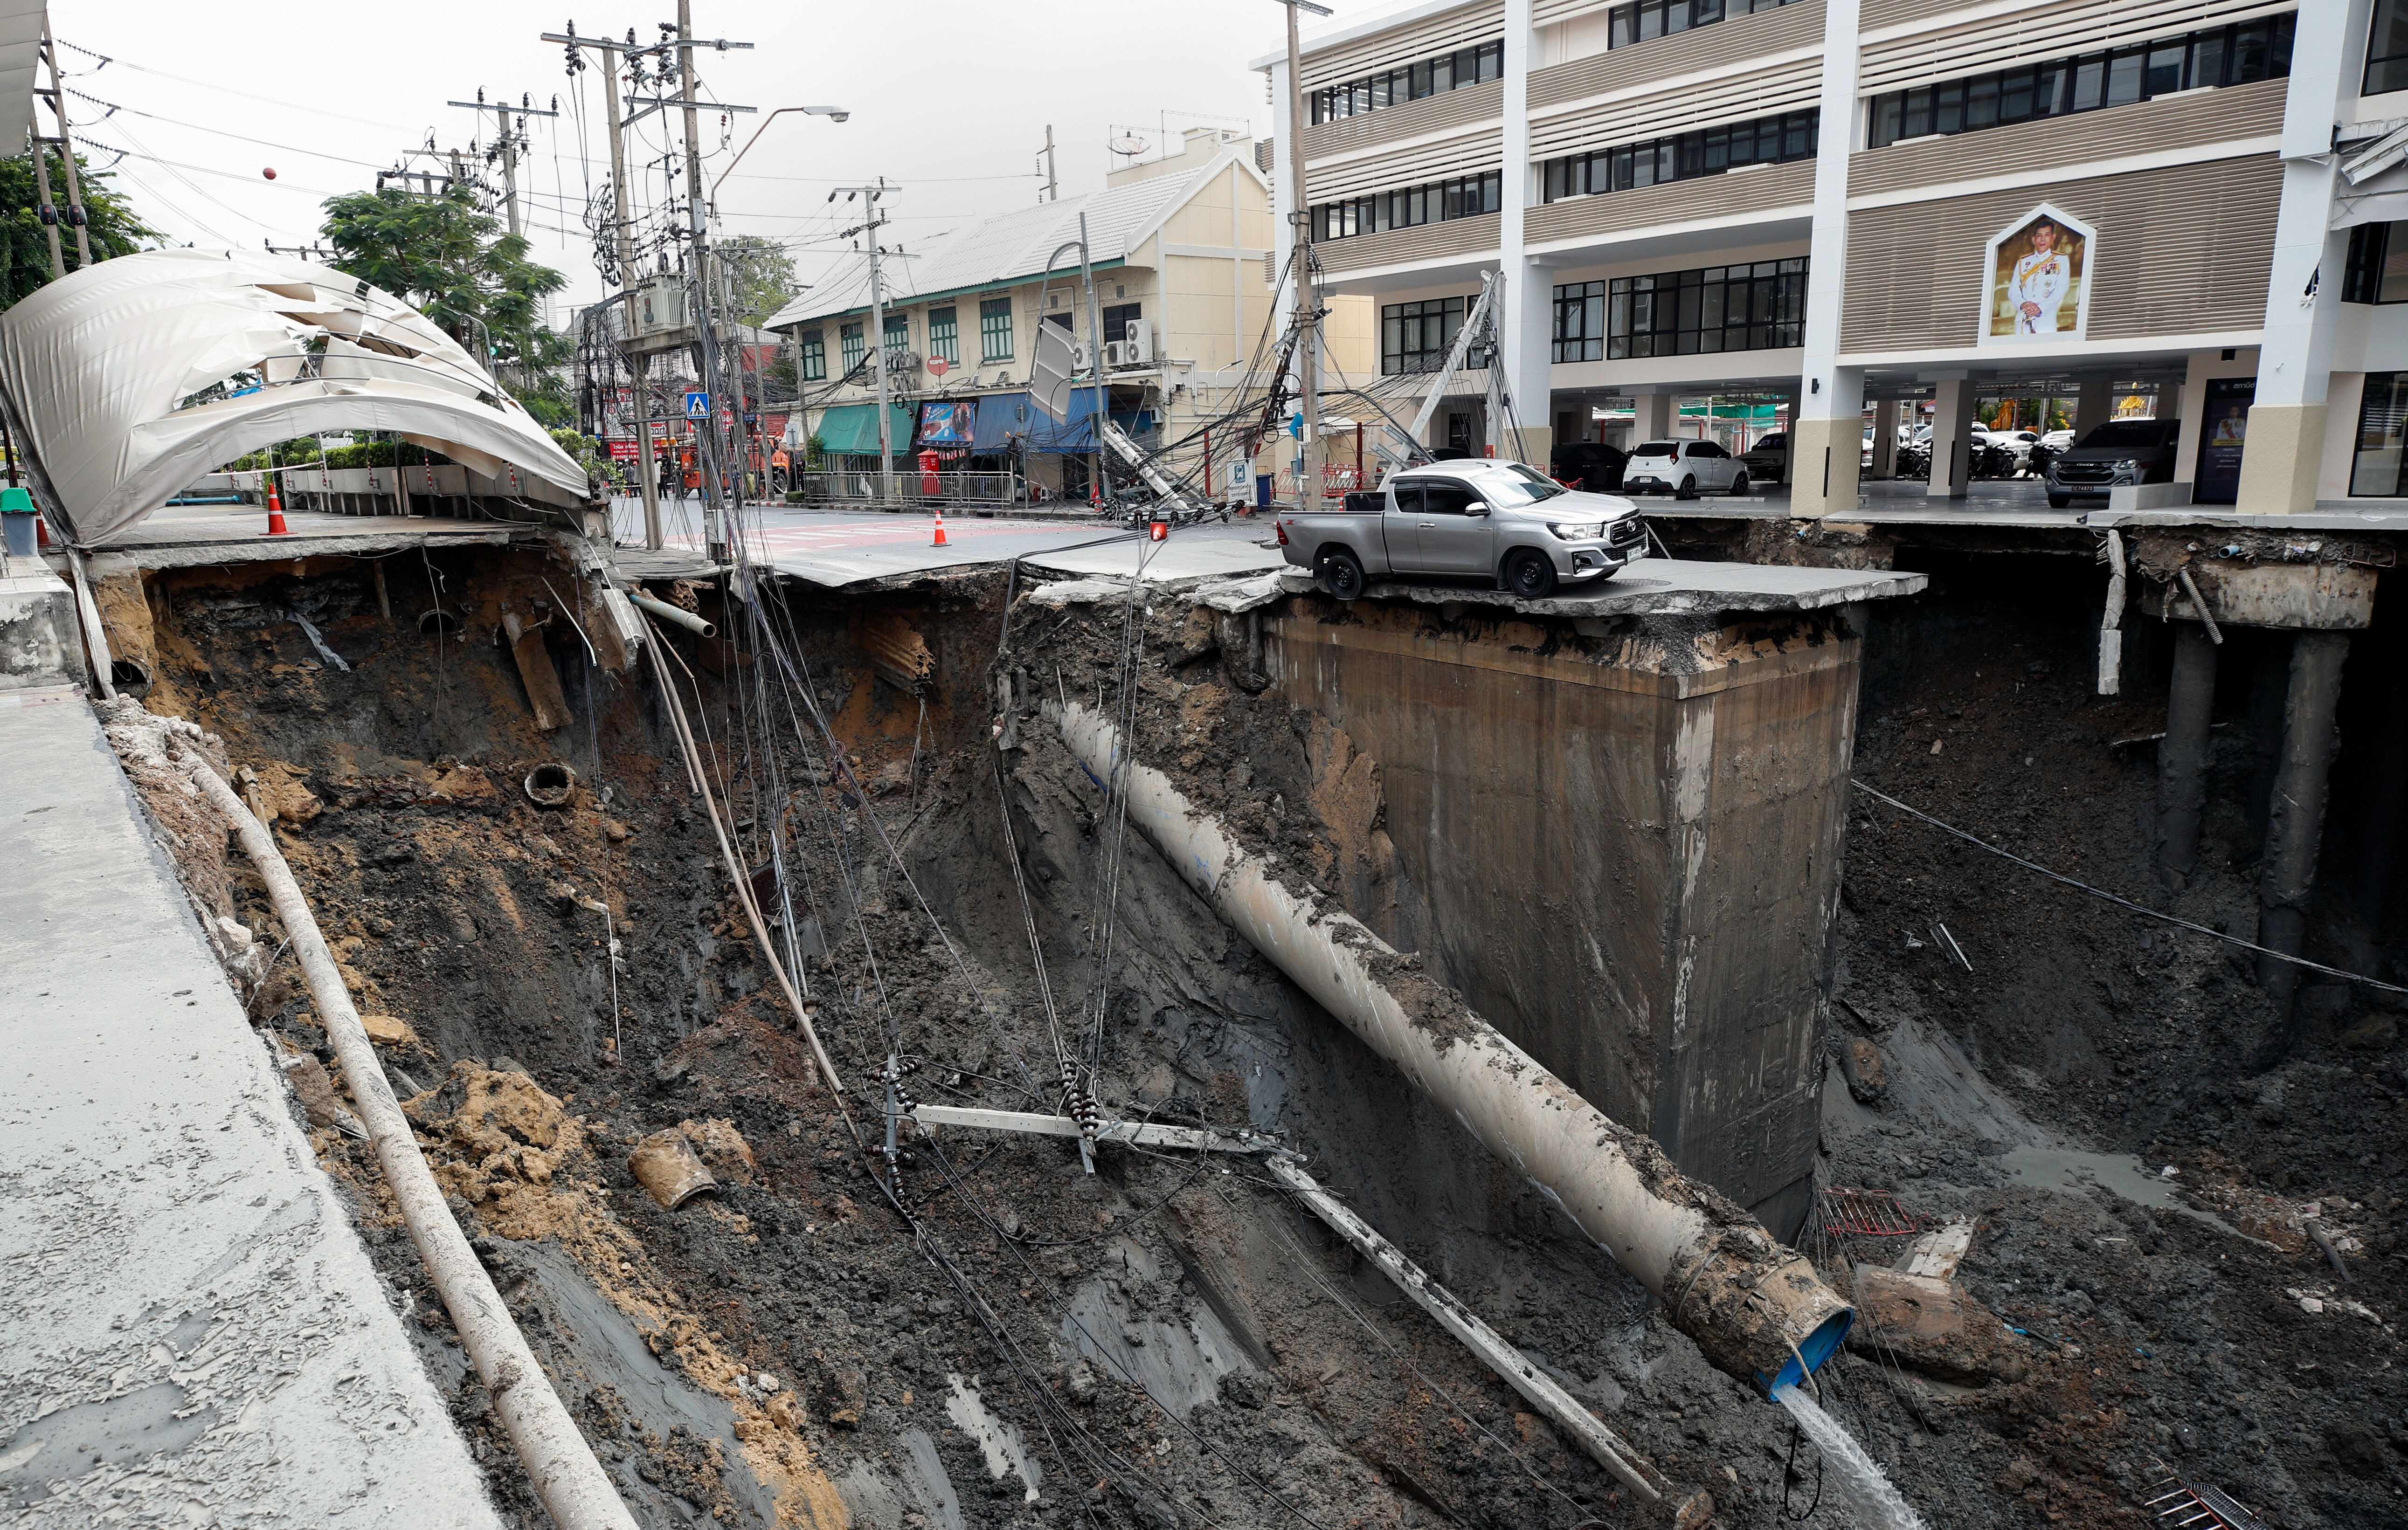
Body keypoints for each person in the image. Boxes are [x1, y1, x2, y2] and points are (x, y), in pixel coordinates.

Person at [2005, 220, 2071, 335]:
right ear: (2034, 239)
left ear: (2053, 237)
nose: (2043, 240)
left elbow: (2061, 289)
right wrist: (2023, 304)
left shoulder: (2061, 260)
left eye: (2047, 235)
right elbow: (2013, 289)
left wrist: (2040, 308)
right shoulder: (2024, 262)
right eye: (2039, 236)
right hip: (2023, 319)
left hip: (2045, 319)